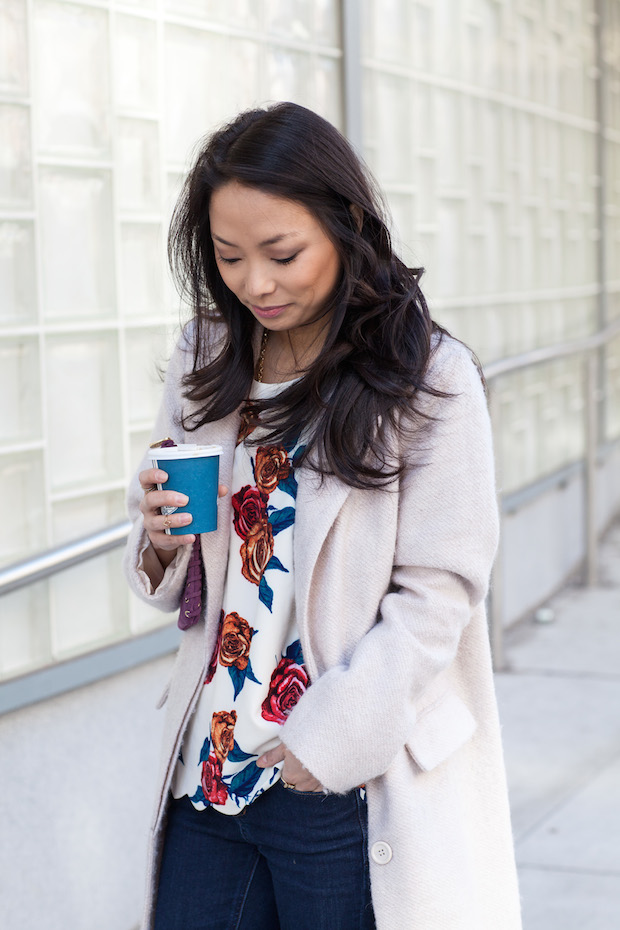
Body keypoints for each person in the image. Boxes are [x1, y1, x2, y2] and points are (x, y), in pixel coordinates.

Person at [123, 102, 522, 930]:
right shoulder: (207, 355)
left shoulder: (429, 379)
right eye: (229, 256)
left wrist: (326, 747)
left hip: (339, 772)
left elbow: (438, 592)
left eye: (282, 253)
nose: (255, 283)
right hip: (212, 762)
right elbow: (190, 572)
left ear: (346, 225)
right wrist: (161, 538)